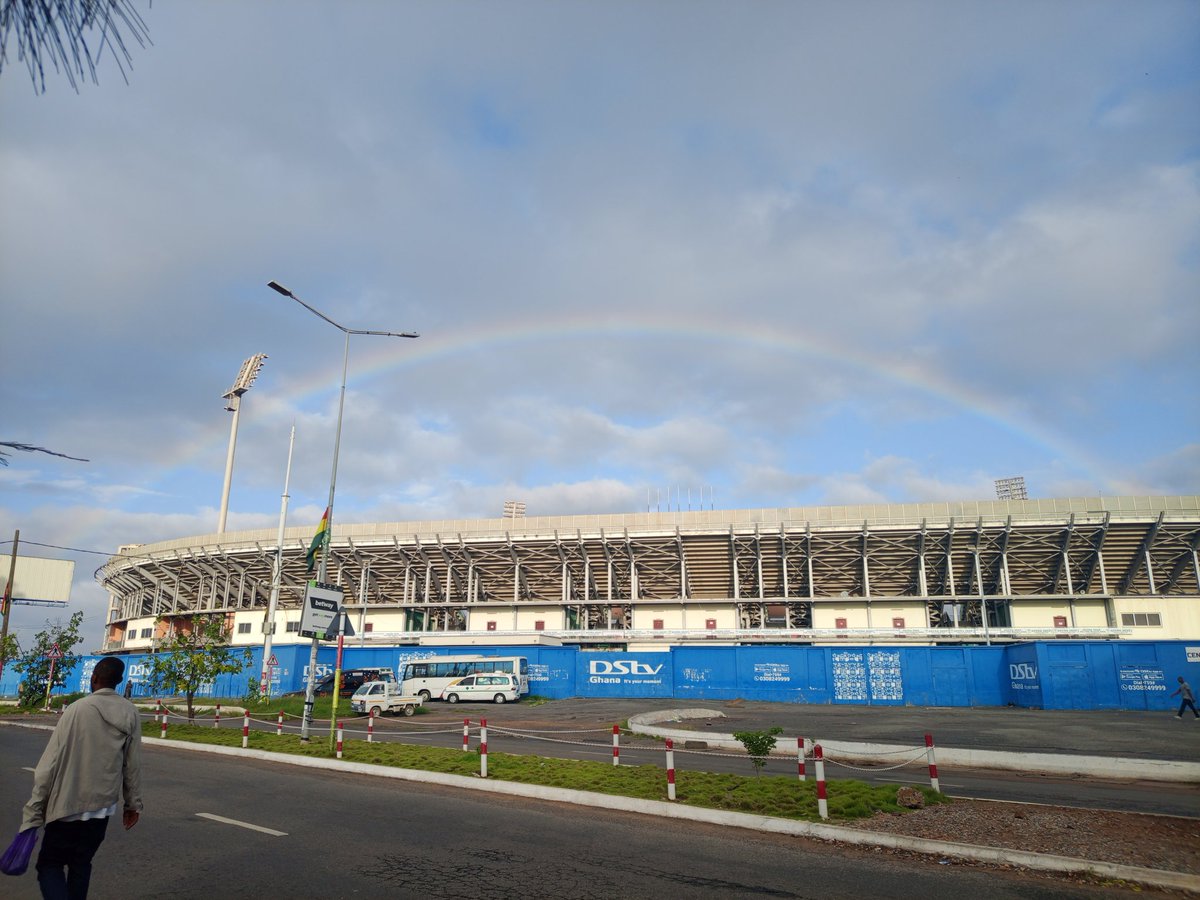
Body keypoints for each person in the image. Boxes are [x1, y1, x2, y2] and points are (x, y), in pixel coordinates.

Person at [21, 656, 143, 899]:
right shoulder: (130, 712)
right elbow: (132, 765)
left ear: (94, 677)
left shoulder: (77, 709)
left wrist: (33, 812)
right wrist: (133, 805)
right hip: (101, 809)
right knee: (81, 864)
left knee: (49, 865)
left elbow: (48, 766)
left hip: (67, 805)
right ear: (118, 681)